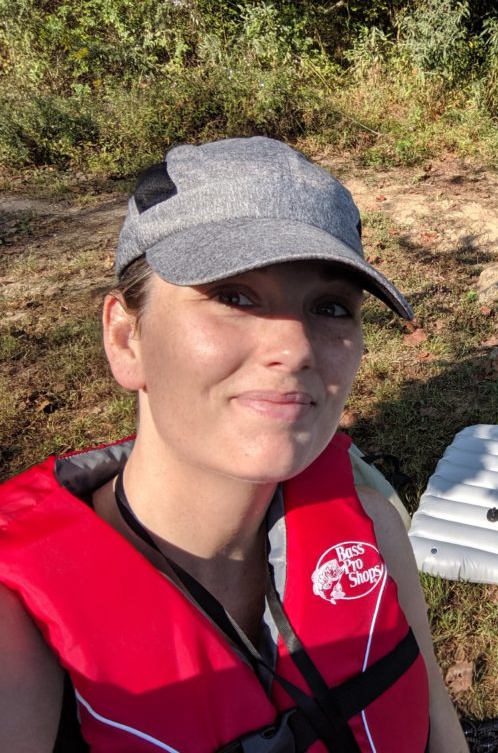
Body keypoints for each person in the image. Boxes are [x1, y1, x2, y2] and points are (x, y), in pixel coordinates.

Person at [0, 137, 469, 753]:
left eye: (330, 307)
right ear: (126, 339)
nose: (297, 349)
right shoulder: (19, 629)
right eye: (234, 296)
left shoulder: (373, 531)